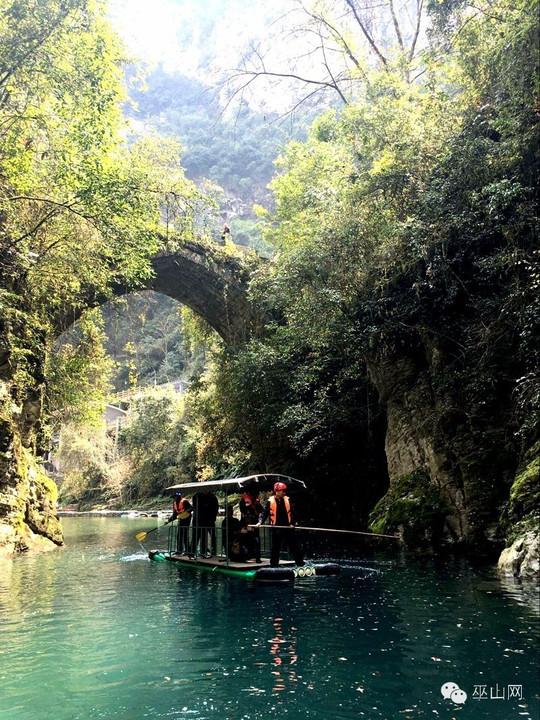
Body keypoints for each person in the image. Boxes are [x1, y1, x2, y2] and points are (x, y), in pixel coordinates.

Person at [257, 482, 304, 567]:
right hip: (276, 528)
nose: (284, 492)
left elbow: (293, 513)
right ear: (277, 491)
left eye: (284, 490)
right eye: (282, 491)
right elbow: (265, 513)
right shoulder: (270, 501)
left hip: (287, 527)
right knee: (276, 547)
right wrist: (260, 522)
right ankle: (274, 565)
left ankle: (300, 563)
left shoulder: (287, 500)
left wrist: (292, 523)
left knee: (294, 546)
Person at [192, 490, 219, 556]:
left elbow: (215, 508)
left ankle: (212, 551)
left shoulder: (212, 497)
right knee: (198, 536)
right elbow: (196, 508)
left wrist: (213, 517)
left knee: (211, 536)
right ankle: (196, 552)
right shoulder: (196, 496)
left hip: (209, 520)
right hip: (199, 520)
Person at [239, 490, 263, 563]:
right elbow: (243, 511)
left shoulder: (256, 502)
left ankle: (257, 558)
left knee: (256, 541)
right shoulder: (244, 501)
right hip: (246, 525)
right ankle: (244, 557)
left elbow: (261, 510)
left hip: (254, 525)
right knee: (245, 541)